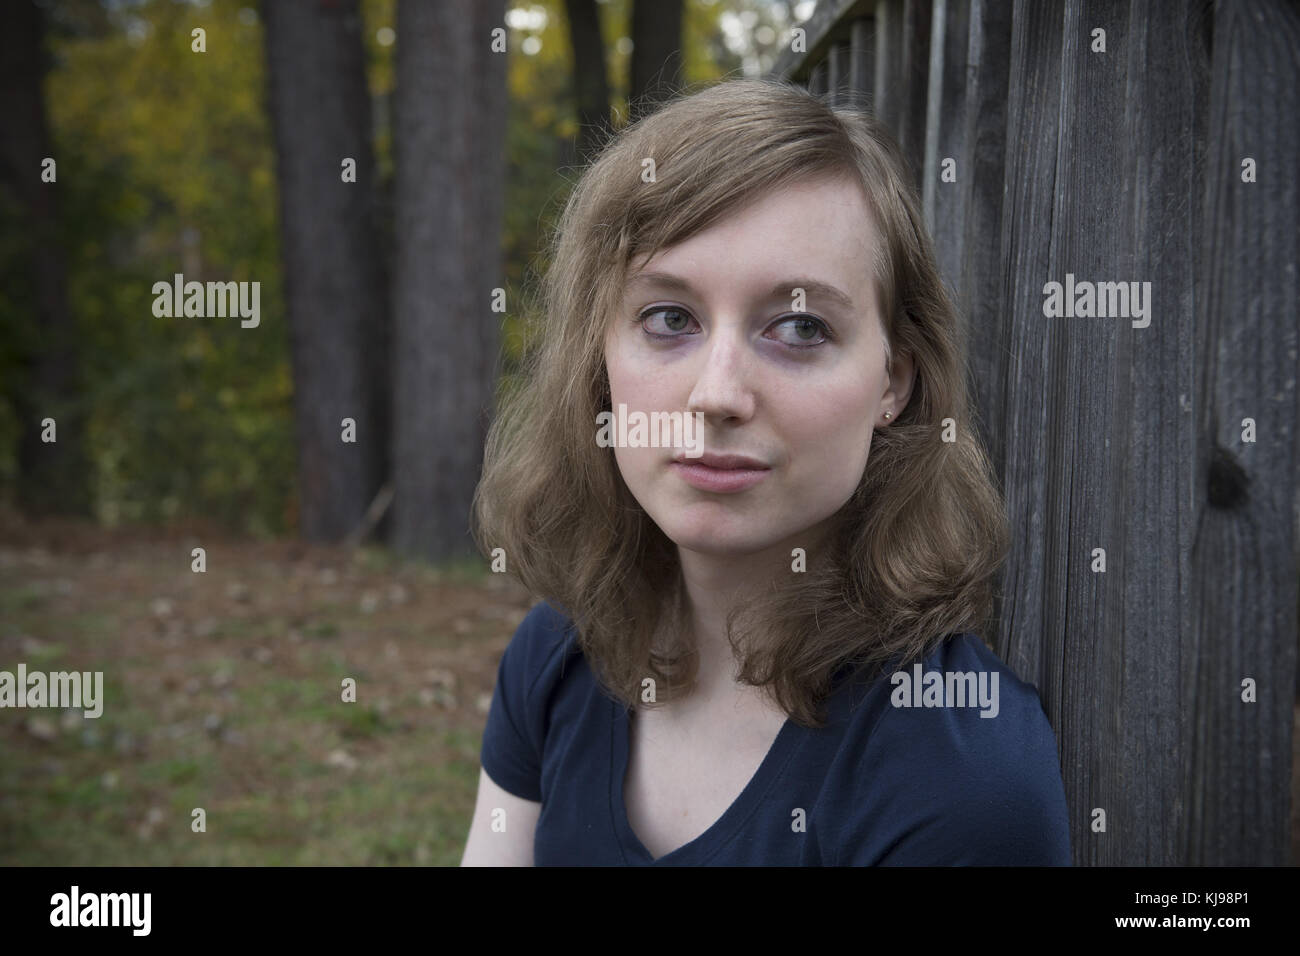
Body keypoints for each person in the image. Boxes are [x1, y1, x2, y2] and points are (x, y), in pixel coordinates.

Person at [460, 76, 1071, 866]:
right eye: (668, 318)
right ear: (599, 357)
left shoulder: (960, 779)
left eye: (798, 326)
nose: (716, 394)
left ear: (894, 382)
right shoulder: (557, 654)